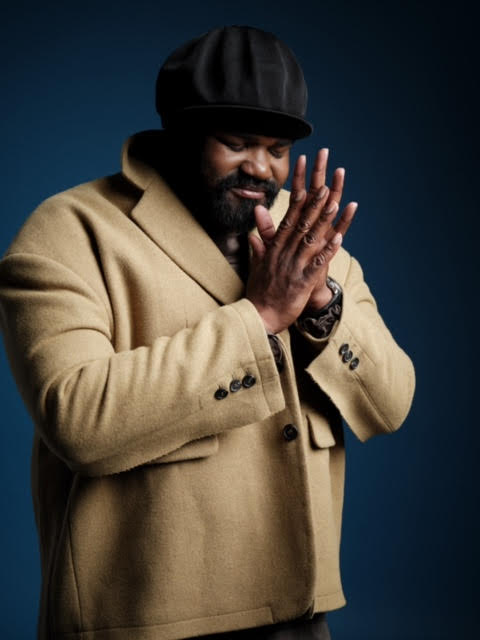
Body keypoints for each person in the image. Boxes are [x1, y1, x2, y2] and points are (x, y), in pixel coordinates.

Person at [0, 26, 415, 640]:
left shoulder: (308, 242)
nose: (261, 167)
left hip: (299, 618)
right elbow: (77, 420)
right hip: (141, 620)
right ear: (180, 133)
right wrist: (261, 316)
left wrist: (322, 305)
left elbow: (392, 403)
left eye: (277, 148)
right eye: (236, 143)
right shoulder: (70, 231)